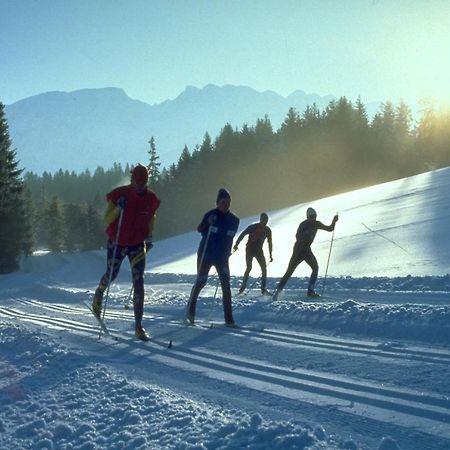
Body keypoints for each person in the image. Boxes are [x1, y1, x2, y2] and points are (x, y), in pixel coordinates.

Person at [92, 164, 161, 340]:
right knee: (112, 273)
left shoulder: (151, 199)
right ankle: (99, 293)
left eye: (143, 183)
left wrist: (149, 237)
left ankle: (138, 326)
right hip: (117, 242)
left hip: (137, 243)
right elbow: (107, 219)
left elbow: (151, 218)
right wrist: (117, 209)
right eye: (137, 182)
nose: (140, 186)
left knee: (139, 282)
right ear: (131, 180)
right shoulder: (119, 194)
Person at [186, 188, 240, 326]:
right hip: (206, 254)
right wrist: (207, 223)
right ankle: (190, 312)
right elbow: (199, 229)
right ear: (217, 203)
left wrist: (227, 253)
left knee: (226, 285)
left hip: (222, 257)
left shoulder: (234, 220)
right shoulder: (211, 214)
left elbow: (230, 238)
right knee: (201, 282)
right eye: (223, 202)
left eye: (228, 202)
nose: (226, 204)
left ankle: (229, 319)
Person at [272, 207, 338, 300]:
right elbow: (297, 236)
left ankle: (310, 291)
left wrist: (334, 221)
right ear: (308, 217)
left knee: (315, 267)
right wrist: (305, 236)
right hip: (298, 250)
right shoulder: (303, 224)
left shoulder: (317, 223)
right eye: (312, 216)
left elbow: (330, 229)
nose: (313, 218)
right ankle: (277, 292)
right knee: (289, 271)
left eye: (314, 216)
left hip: (306, 250)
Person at [233, 212, 273, 295]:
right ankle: (243, 288)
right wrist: (236, 244)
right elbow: (243, 234)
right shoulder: (255, 227)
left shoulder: (267, 230)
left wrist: (270, 254)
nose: (264, 222)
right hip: (250, 250)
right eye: (263, 220)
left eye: (265, 220)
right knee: (249, 268)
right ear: (261, 220)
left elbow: (270, 243)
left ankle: (262, 289)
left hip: (257, 250)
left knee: (263, 269)